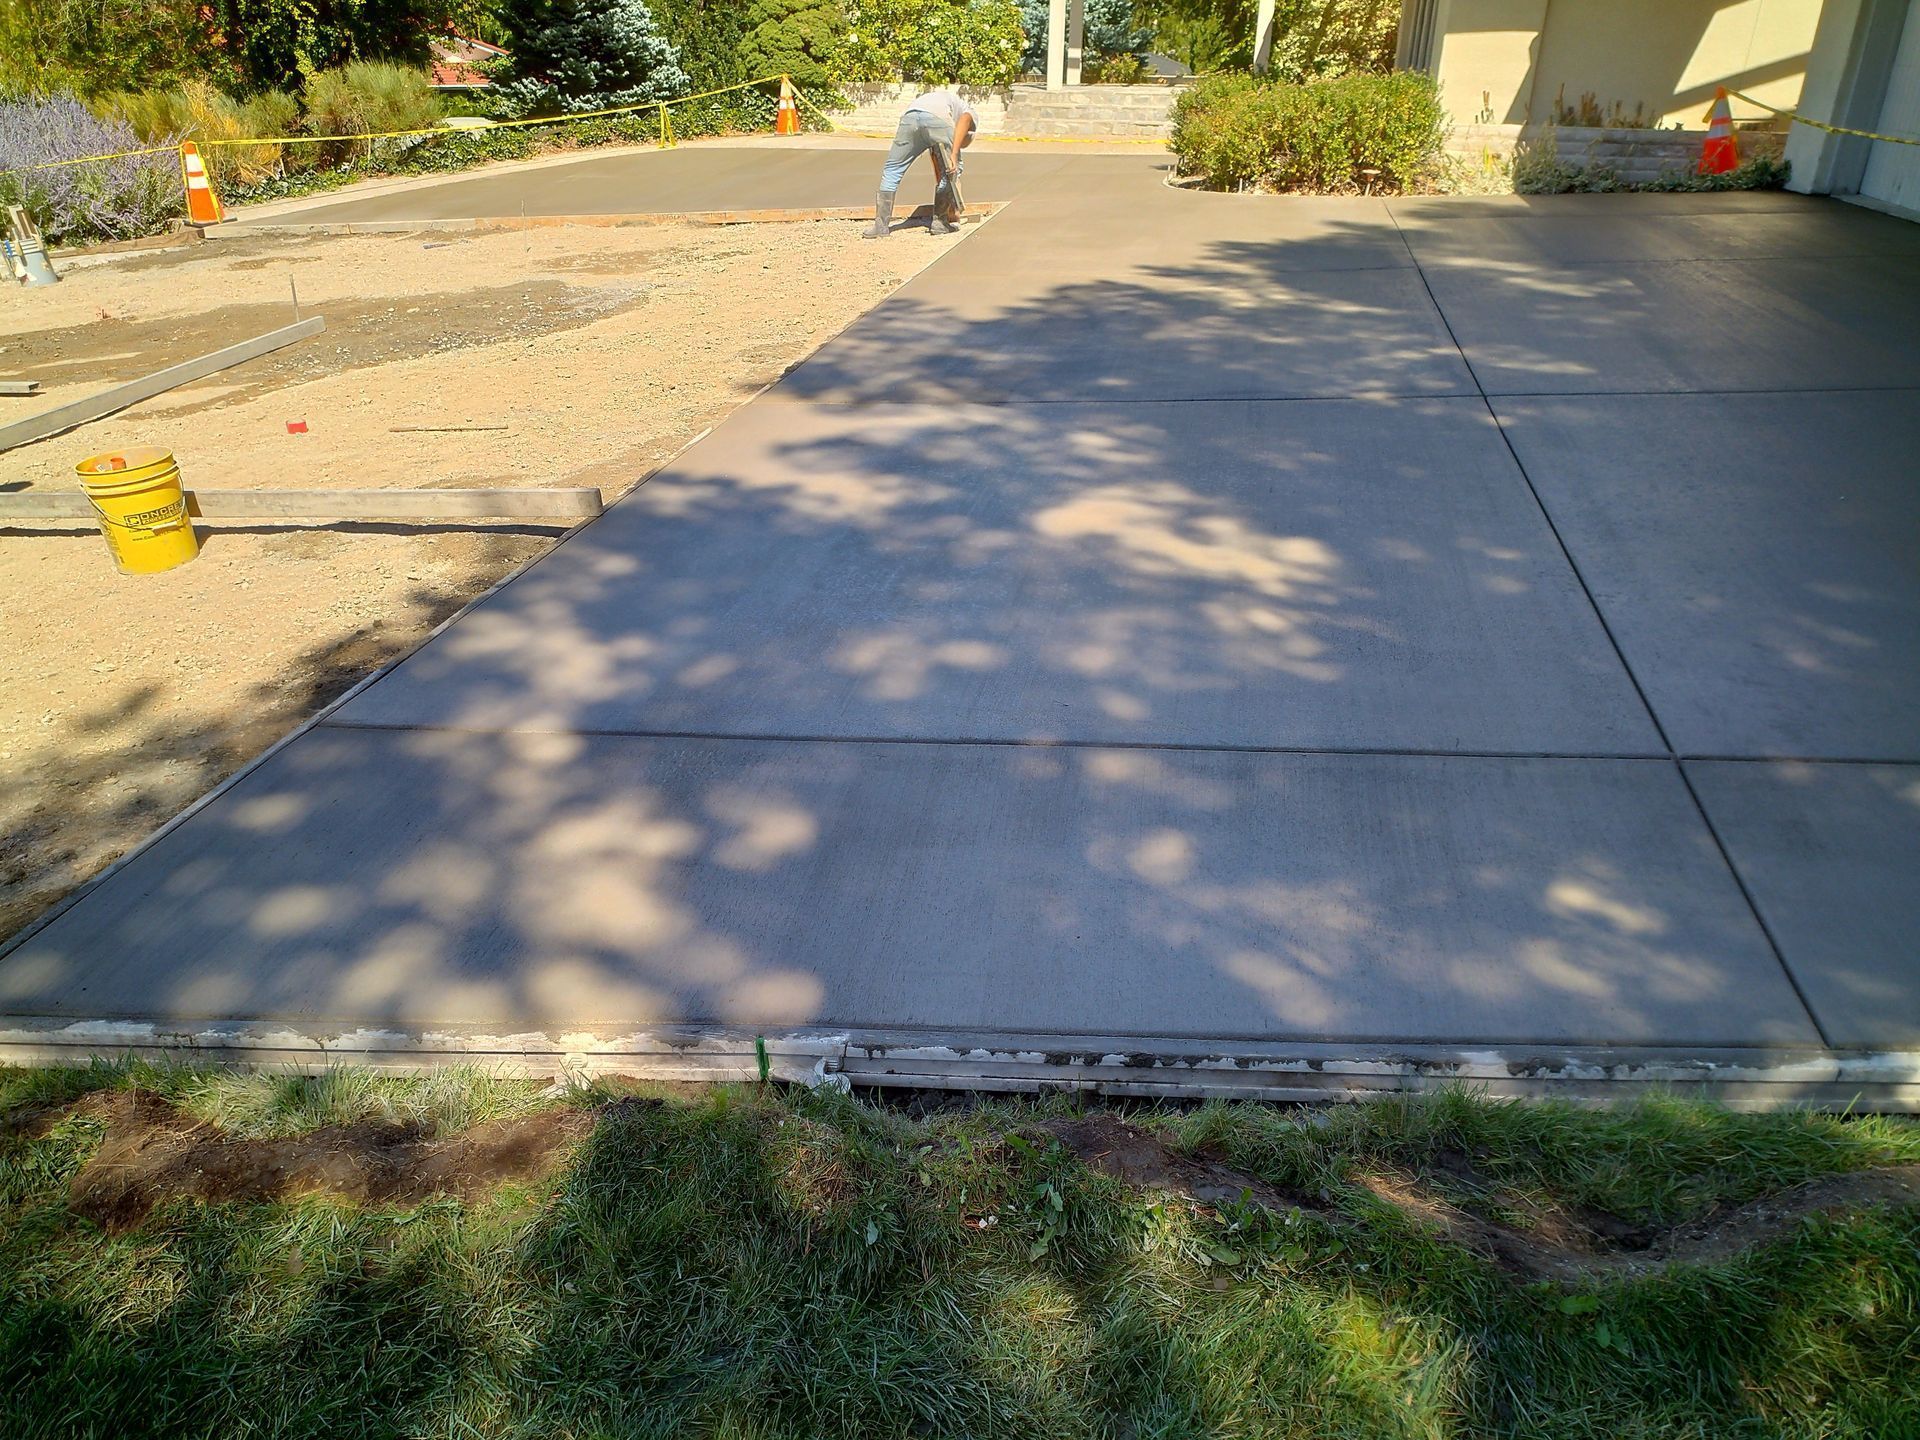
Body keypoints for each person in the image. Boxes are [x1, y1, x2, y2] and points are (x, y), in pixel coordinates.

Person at [866, 87, 976, 239]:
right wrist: (955, 153)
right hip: (936, 118)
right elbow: (965, 120)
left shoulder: (942, 100)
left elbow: (936, 158)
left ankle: (880, 226)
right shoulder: (966, 110)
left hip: (910, 117)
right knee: (953, 168)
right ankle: (940, 223)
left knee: (893, 168)